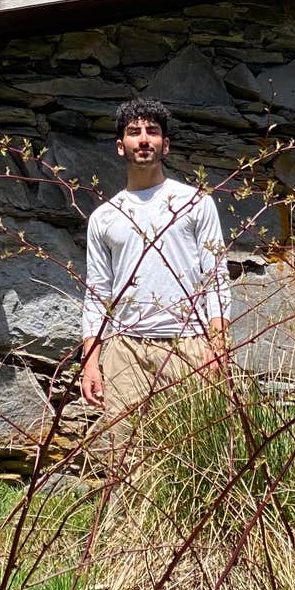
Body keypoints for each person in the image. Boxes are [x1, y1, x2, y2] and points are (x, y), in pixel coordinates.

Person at [78, 97, 231, 439]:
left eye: (152, 131)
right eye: (134, 132)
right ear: (121, 146)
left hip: (188, 345)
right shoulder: (104, 217)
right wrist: (90, 362)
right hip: (125, 352)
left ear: (166, 144)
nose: (144, 139)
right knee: (125, 454)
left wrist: (218, 346)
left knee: (193, 450)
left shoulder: (195, 203)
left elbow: (216, 278)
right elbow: (97, 294)